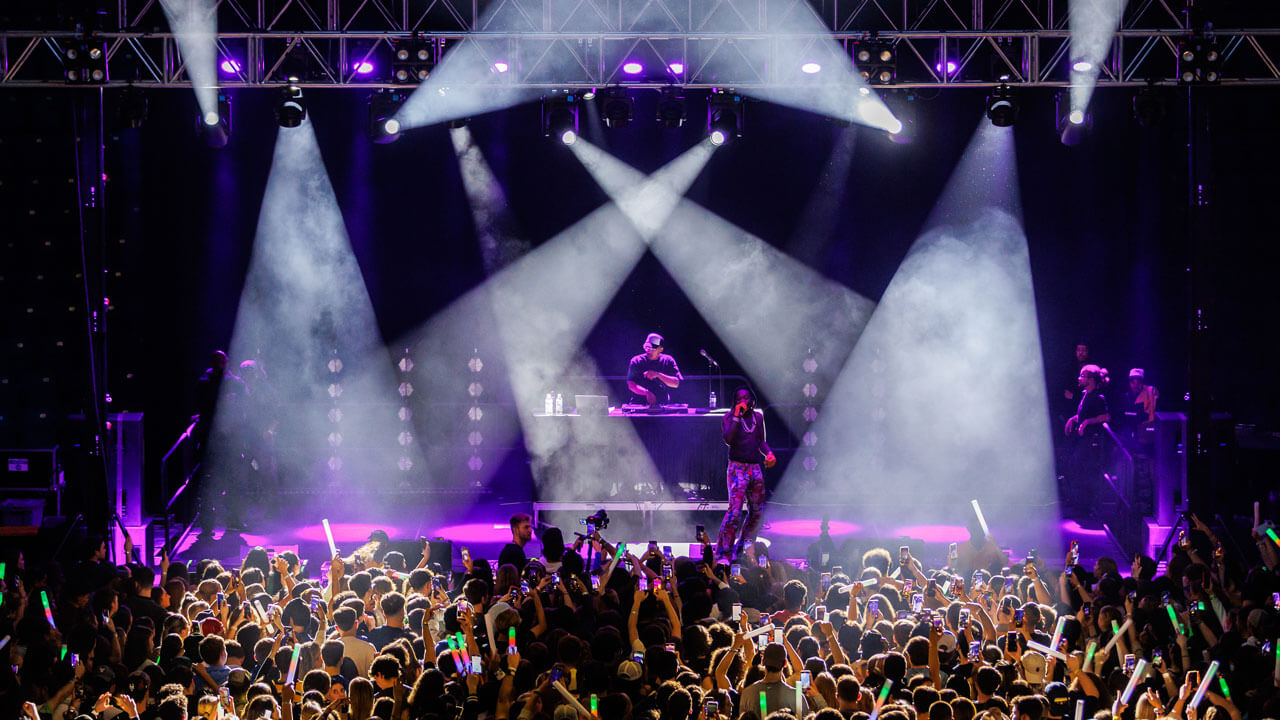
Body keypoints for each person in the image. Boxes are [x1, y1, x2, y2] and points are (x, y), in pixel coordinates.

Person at [715, 387, 776, 561]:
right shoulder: (728, 418)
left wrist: (769, 453)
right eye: (739, 398)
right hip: (737, 468)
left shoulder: (758, 417)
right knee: (734, 512)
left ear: (752, 400)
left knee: (757, 511)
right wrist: (736, 416)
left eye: (746, 398)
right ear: (735, 401)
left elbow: (761, 442)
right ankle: (723, 552)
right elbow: (728, 439)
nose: (743, 401)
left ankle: (744, 549)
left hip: (755, 467)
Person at [626, 332, 682, 406]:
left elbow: (676, 383)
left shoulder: (668, 360)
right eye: (646, 347)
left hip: (662, 405)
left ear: (660, 349)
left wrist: (657, 375)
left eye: (652, 348)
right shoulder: (636, 361)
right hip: (638, 405)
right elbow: (631, 385)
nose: (648, 350)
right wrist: (646, 393)